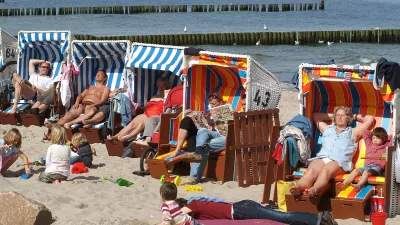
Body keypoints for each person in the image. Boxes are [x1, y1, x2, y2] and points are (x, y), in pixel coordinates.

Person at [290, 106, 374, 197]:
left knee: (325, 171)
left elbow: (370, 119)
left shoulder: (353, 132)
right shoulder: (327, 128)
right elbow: (315, 116)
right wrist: (333, 116)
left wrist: (352, 116)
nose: (340, 117)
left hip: (339, 161)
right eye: (338, 115)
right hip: (322, 157)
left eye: (343, 115)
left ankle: (314, 190)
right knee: (311, 171)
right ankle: (298, 187)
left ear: (348, 118)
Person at [175, 197, 337, 225]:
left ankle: (320, 220)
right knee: (280, 219)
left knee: (283, 217)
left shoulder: (193, 205)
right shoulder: (196, 210)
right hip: (242, 207)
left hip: (241, 210)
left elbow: (177, 217)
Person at [107, 77, 170, 142]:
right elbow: (147, 107)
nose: (161, 88)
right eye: (159, 86)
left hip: (155, 116)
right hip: (146, 114)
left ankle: (126, 138)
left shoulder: (168, 98)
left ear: (167, 86)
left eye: (163, 86)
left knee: (140, 125)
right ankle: (115, 136)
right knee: (131, 124)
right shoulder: (154, 96)